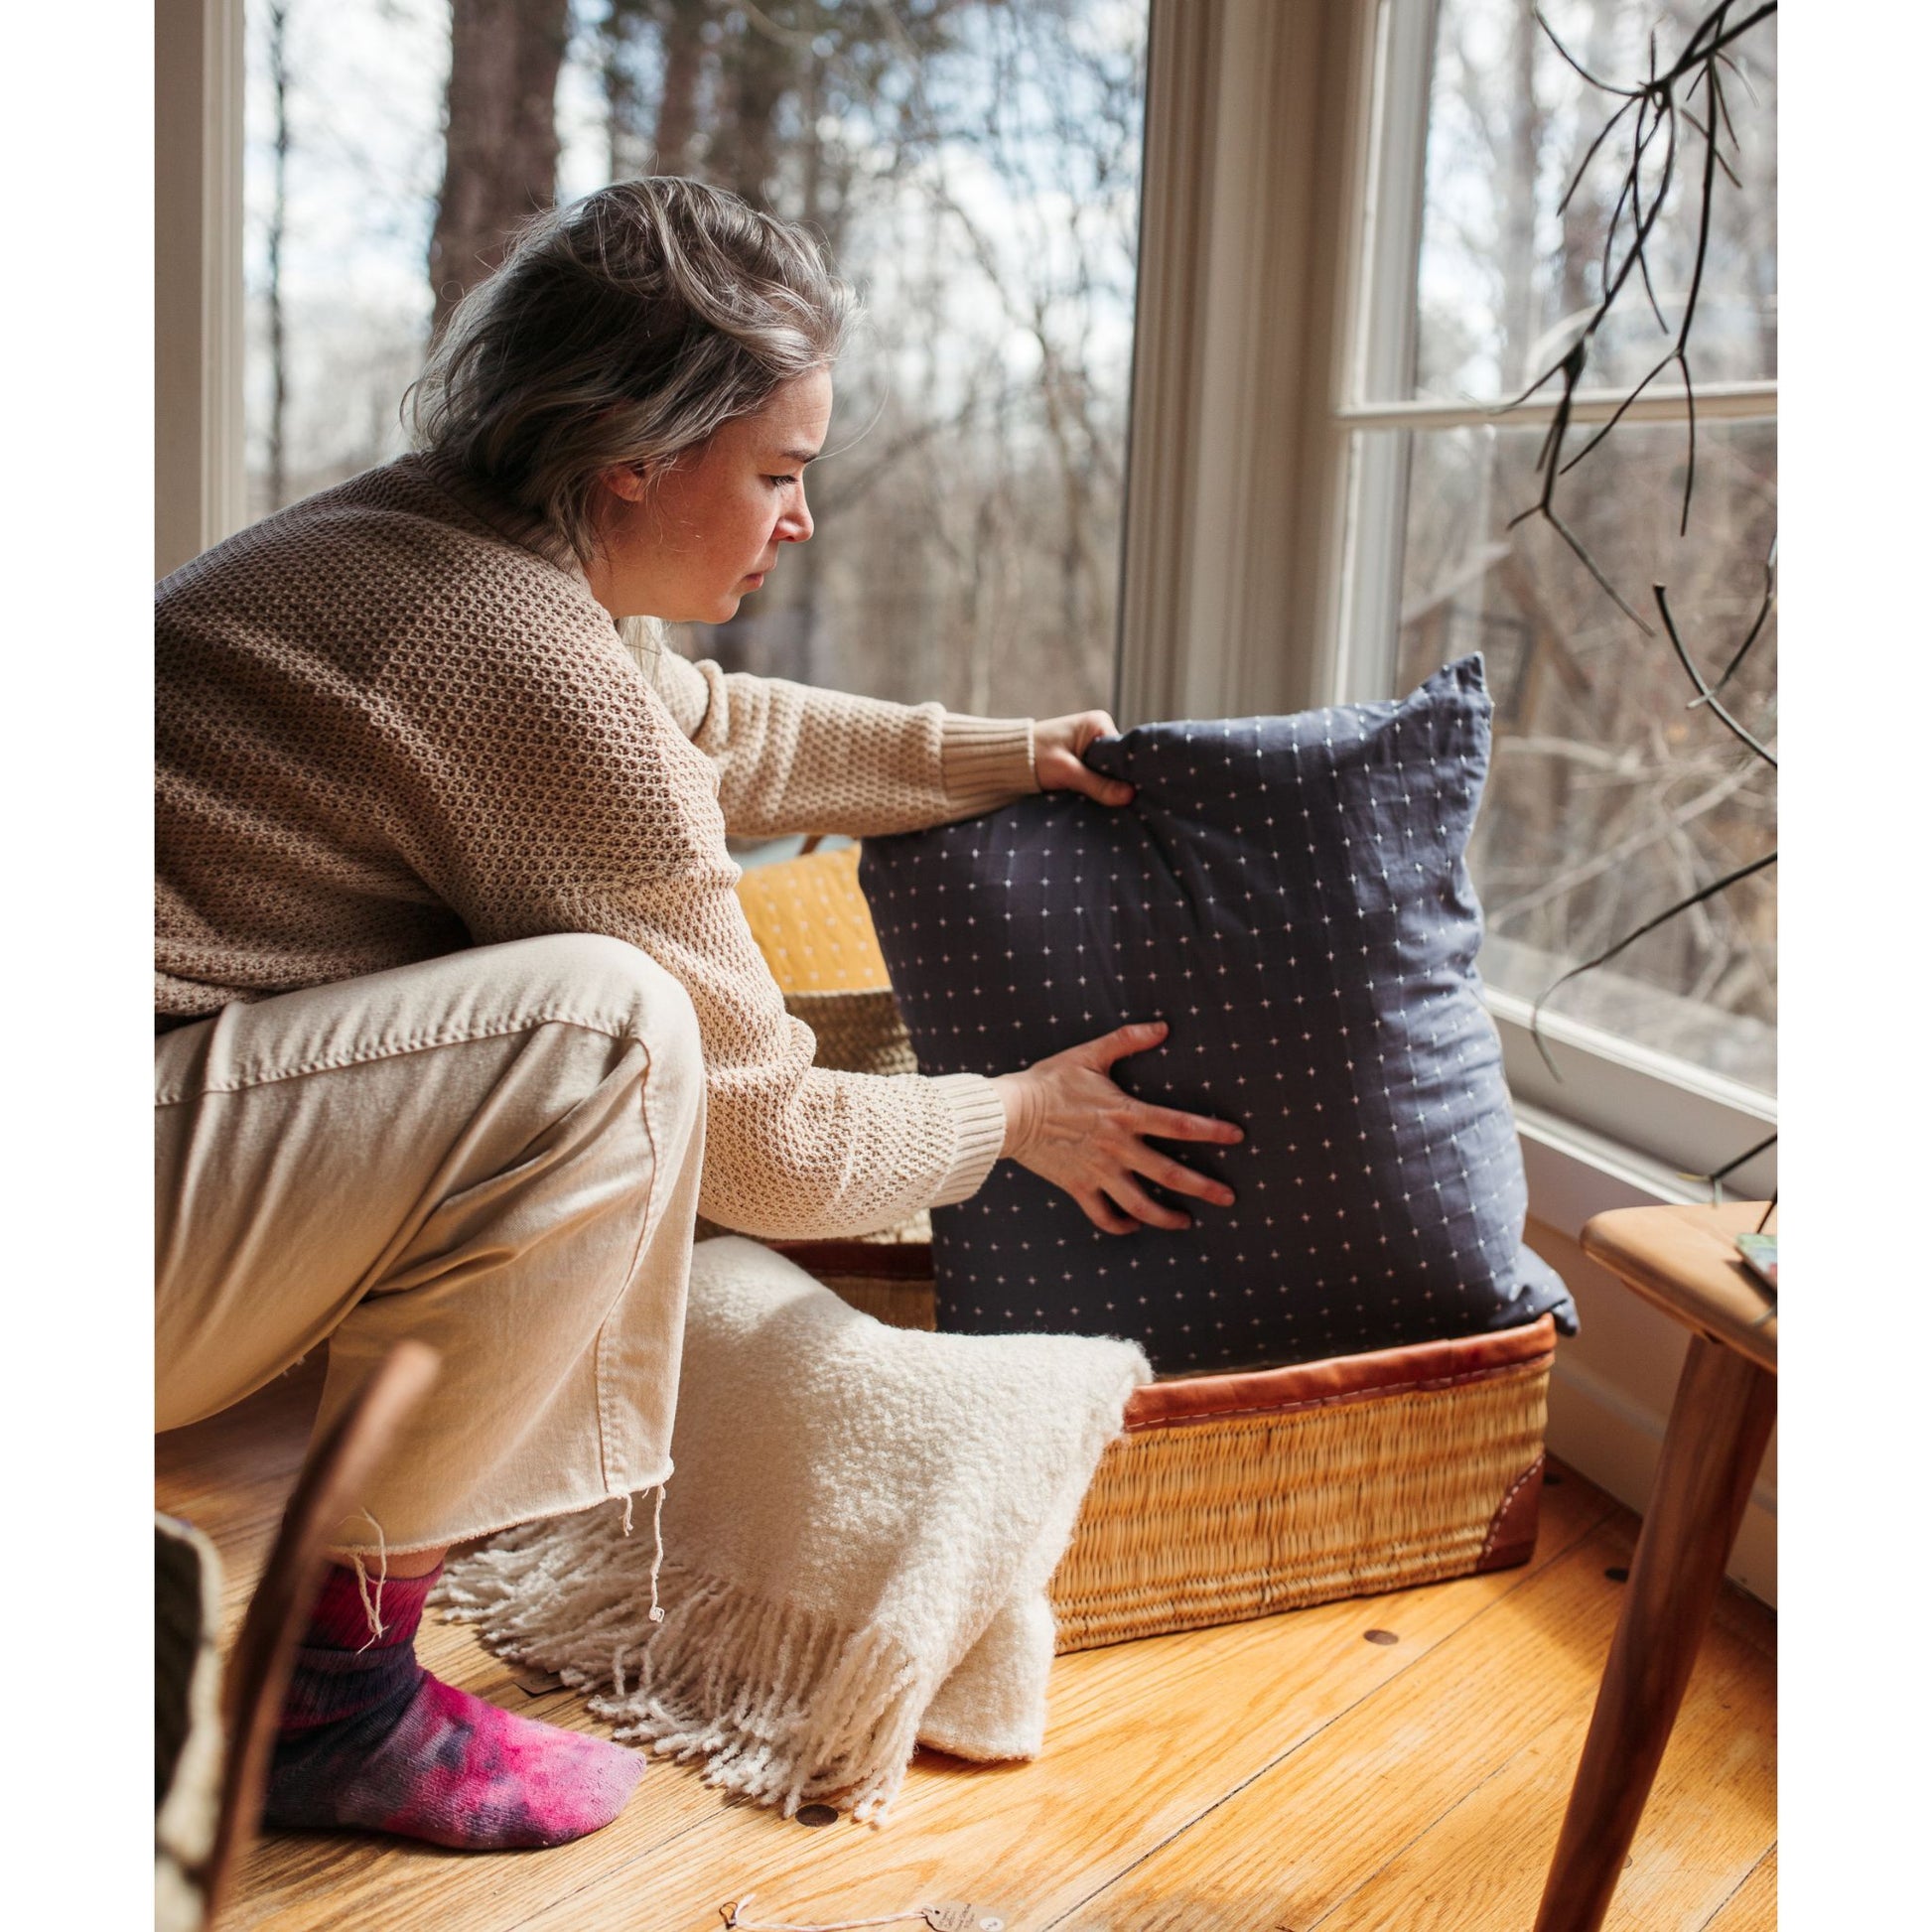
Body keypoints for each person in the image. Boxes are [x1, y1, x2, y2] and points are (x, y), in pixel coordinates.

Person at [155, 178, 1243, 1852]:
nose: (799, 519)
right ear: (633, 457)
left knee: (592, 1019)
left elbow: (705, 726)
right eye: (780, 474)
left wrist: (989, 753)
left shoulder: (421, 541)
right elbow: (775, 1147)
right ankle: (328, 1702)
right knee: (605, 1035)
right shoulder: (504, 643)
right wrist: (1012, 1116)